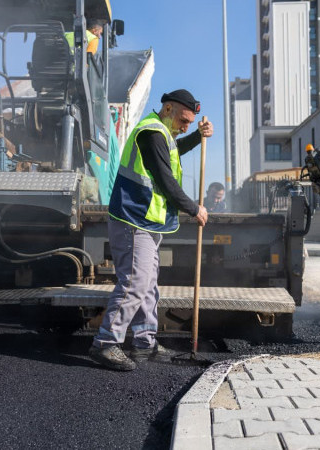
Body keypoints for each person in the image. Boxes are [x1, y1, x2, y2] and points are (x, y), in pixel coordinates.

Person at [89, 89, 212, 371]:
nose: (186, 126)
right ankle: (105, 343)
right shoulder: (152, 133)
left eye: (190, 123)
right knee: (135, 283)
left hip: (144, 221)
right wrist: (194, 208)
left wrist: (197, 136)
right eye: (184, 120)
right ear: (168, 109)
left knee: (148, 285)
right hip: (133, 220)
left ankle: (145, 343)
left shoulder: (163, 134)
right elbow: (166, 180)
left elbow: (173, 152)